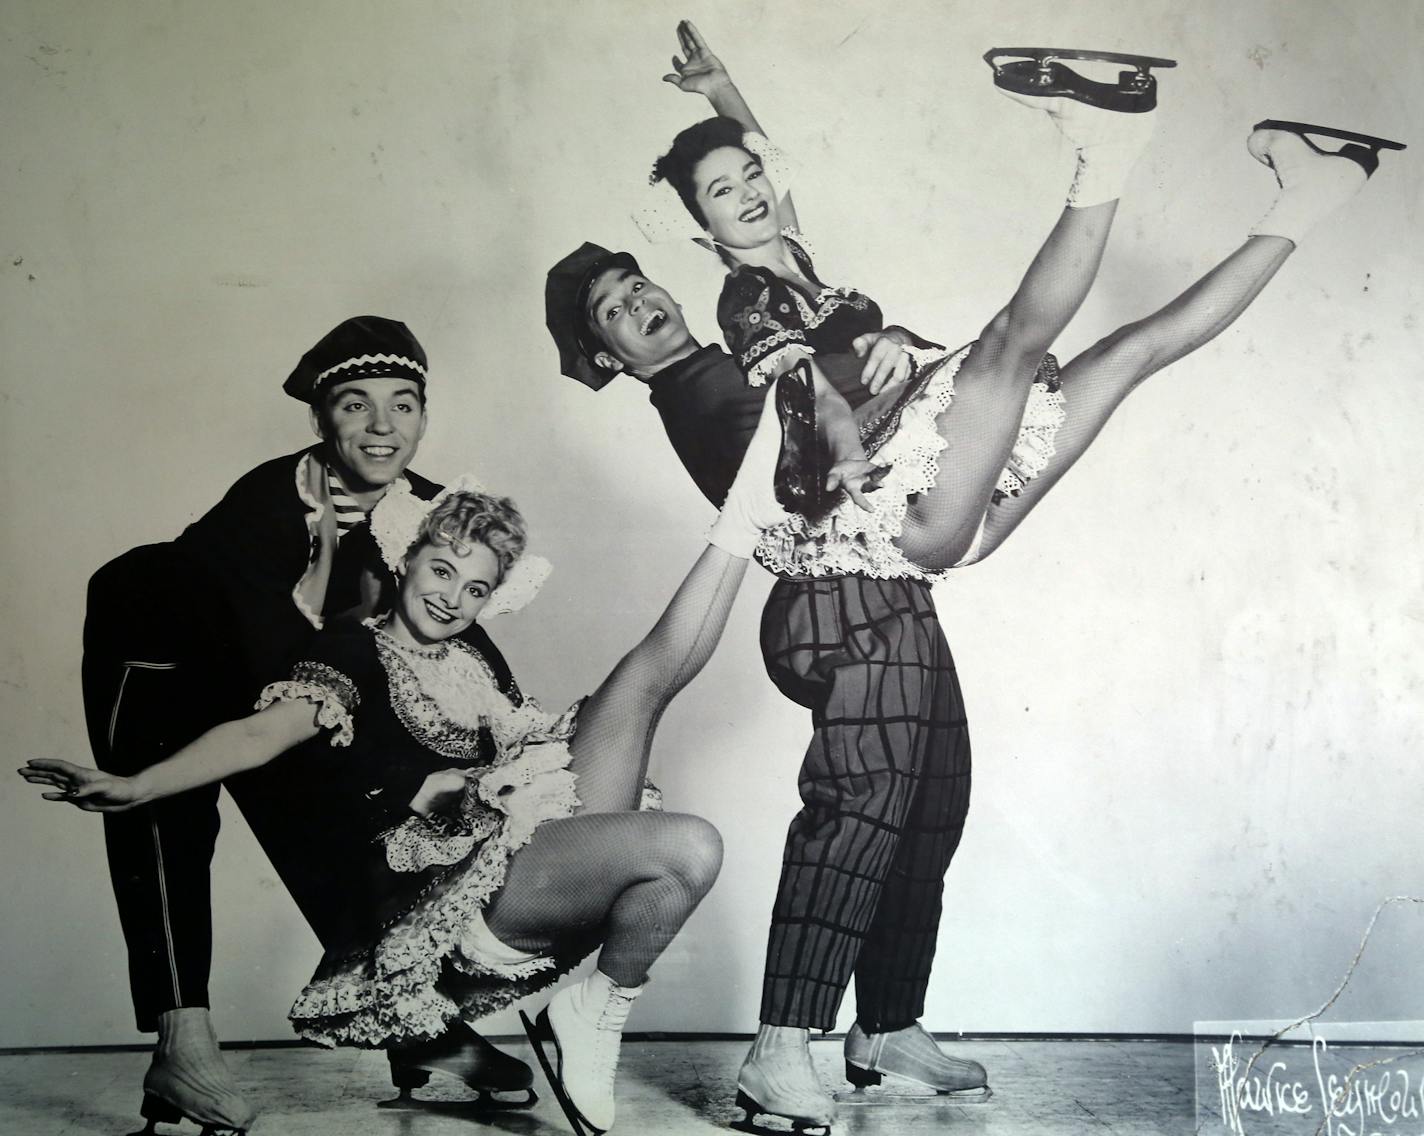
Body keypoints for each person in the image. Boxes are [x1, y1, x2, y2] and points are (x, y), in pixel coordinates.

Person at [546, 22, 1398, 1130]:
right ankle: (777, 1052)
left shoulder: (770, 282)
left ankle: (1311, 192)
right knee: (860, 807)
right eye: (613, 311)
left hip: (904, 556)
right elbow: (806, 388)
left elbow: (770, 210)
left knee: (931, 801)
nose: (638, 304)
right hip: (839, 577)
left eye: (632, 284)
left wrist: (726, 100)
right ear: (608, 353)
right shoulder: (725, 345)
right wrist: (866, 402)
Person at [26, 402, 789, 1136]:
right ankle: (595, 1016)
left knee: (647, 686)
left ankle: (751, 508)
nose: (454, 598)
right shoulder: (352, 652)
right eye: (443, 570)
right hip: (449, 910)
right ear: (404, 558)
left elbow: (527, 753)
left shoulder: (472, 657)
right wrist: (136, 784)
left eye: (478, 588)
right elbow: (258, 738)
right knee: (687, 846)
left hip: (519, 862)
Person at [77, 316, 528, 1133]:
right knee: (177, 800)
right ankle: (182, 1041)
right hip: (161, 644)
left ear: (425, 416)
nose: (383, 427)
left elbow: (463, 639)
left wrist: (515, 744)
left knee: (359, 772)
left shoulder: (427, 511)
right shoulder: (271, 496)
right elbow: (292, 660)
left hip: (284, 671)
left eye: (403, 405)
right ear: (321, 421)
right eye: (356, 406)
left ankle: (409, 1015)